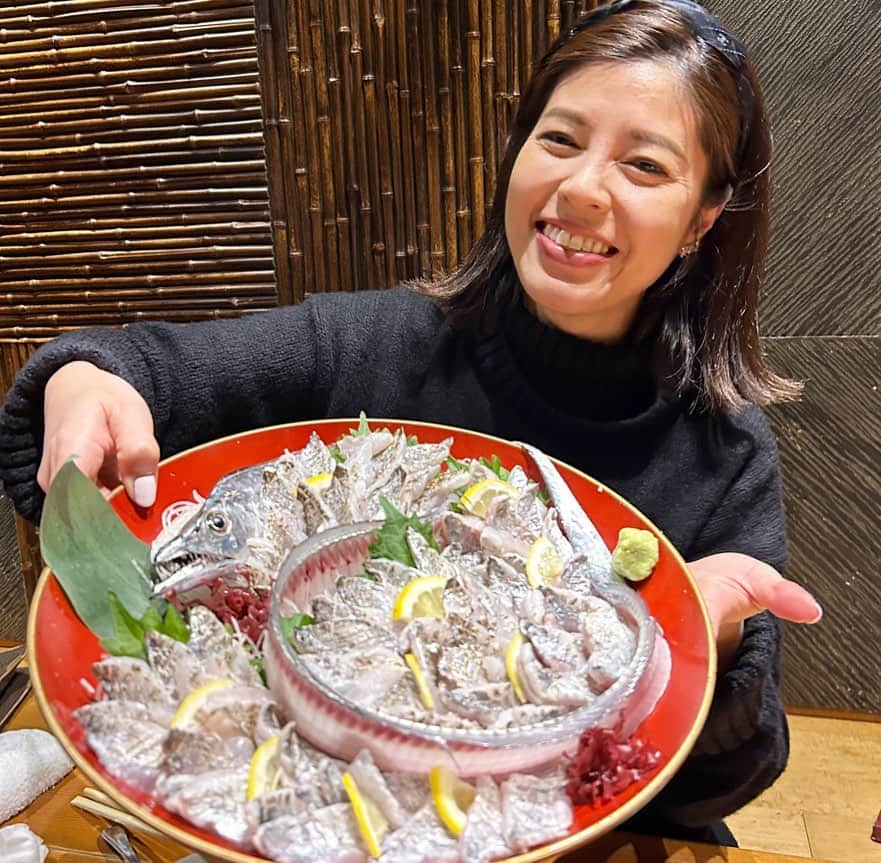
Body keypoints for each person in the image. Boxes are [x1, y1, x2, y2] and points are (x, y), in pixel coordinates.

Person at [0, 0, 820, 847]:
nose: (580, 187)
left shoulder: (722, 453)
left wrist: (709, 643)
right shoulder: (375, 345)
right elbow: (154, 372)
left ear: (701, 219)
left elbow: (714, 788)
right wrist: (84, 378)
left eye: (644, 166)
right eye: (560, 139)